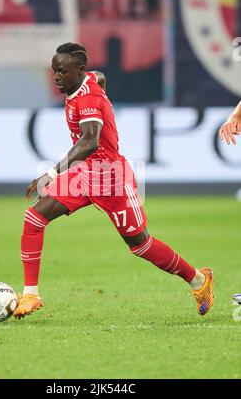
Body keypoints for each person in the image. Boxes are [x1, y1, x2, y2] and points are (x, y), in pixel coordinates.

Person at [13, 43, 213, 319]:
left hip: (111, 181)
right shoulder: (89, 80)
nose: (56, 76)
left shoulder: (87, 101)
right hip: (84, 176)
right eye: (54, 70)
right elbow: (101, 76)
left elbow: (90, 141)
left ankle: (199, 280)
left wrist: (52, 172)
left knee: (140, 245)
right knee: (34, 218)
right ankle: (31, 294)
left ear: (79, 71)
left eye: (62, 71)